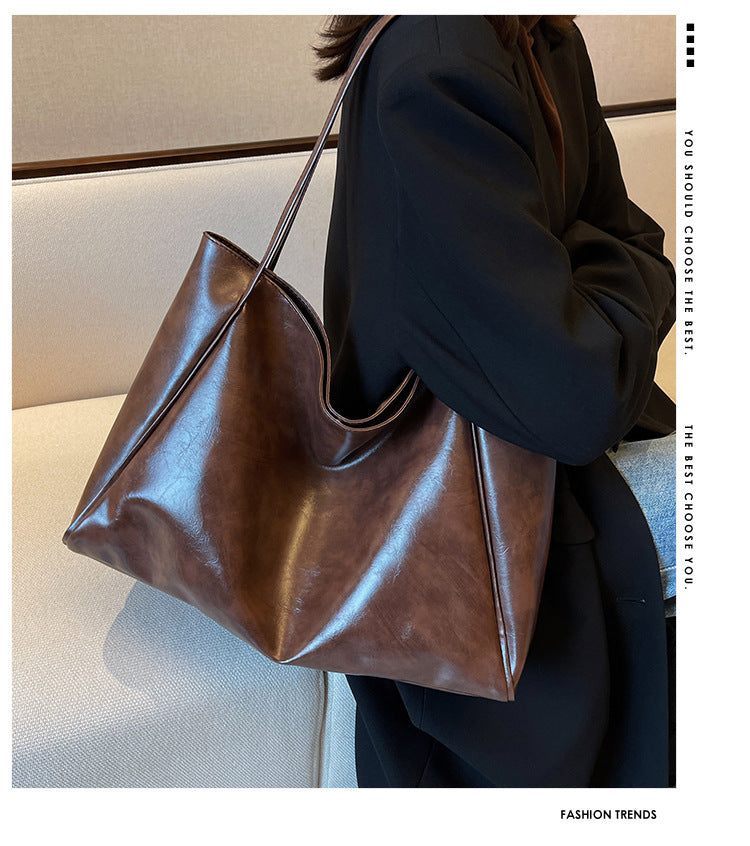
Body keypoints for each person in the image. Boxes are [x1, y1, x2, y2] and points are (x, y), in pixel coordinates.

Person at [314, 14, 676, 788]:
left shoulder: (539, 34)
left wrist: (591, 280)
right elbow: (581, 394)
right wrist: (601, 274)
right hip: (468, 530)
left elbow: (636, 246)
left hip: (539, 464)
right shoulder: (436, 65)